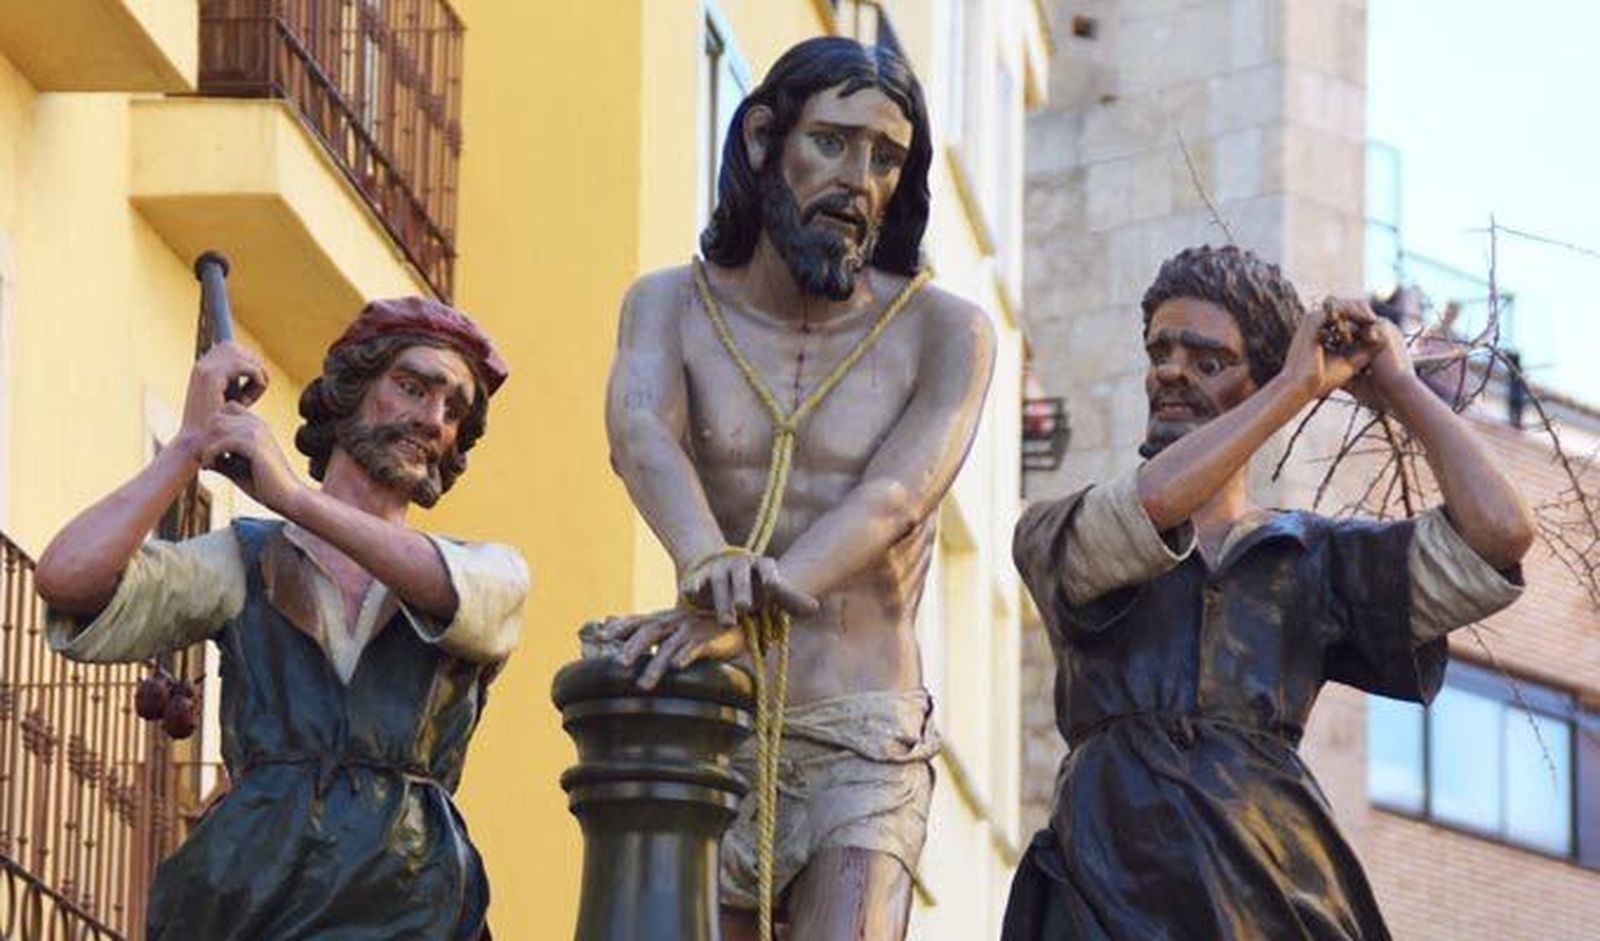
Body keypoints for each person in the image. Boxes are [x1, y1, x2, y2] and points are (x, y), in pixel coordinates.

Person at [1002, 245, 1534, 940]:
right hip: (1107, 887)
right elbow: (1154, 503)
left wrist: (1401, 388)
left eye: (1209, 361)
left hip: (1279, 888)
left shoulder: (1311, 558)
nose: (1170, 371)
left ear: (1258, 381)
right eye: (1160, 352)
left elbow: (1500, 534)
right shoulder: (1057, 531)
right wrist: (1292, 390)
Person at [594, 36, 995, 941]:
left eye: (886, 158)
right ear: (762, 140)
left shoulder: (946, 331)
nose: (859, 181)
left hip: (860, 735)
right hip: (713, 727)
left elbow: (898, 494)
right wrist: (706, 559)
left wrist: (753, 599)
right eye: (833, 142)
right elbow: (640, 433)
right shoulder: (668, 304)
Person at [36, 297, 529, 940]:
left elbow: (446, 591)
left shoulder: (487, 573)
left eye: (454, 410)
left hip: (409, 901)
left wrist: (291, 497)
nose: (434, 420)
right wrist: (189, 445)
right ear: (350, 392)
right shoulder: (244, 562)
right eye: (413, 388)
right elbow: (68, 577)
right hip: (250, 893)